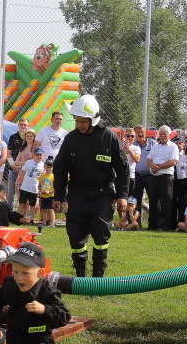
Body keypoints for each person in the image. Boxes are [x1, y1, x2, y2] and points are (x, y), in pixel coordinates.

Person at [52, 95, 129, 278]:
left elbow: (123, 167)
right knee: (76, 234)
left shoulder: (109, 137)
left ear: (93, 119)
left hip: (102, 193)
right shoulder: (71, 139)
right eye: (77, 121)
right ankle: (80, 276)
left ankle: (98, 278)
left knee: (101, 232)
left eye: (83, 121)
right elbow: (60, 169)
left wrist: (122, 195)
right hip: (77, 192)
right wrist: (59, 197)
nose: (79, 125)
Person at [146, 126, 180, 231]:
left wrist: (158, 167)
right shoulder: (155, 146)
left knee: (166, 202)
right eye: (161, 133)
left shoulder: (173, 146)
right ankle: (153, 225)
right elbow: (148, 159)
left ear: (169, 135)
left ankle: (166, 226)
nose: (162, 135)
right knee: (153, 201)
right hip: (154, 177)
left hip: (165, 177)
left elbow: (173, 161)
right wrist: (151, 166)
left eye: (165, 133)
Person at [131, 125, 156, 228]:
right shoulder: (133, 144)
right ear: (135, 133)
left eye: (142, 132)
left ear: (145, 132)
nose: (140, 134)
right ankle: (137, 223)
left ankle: (153, 224)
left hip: (150, 176)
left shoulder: (153, 143)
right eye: (138, 132)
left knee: (153, 199)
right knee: (136, 200)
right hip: (137, 176)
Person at [17, 147, 44, 222]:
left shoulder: (43, 165)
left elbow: (42, 178)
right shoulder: (28, 162)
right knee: (21, 203)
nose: (39, 156)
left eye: (40, 155)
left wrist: (40, 189)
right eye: (37, 155)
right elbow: (22, 173)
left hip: (34, 188)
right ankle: (16, 218)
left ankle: (31, 219)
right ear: (34, 155)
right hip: (25, 187)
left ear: (43, 155)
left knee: (32, 205)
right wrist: (19, 184)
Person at [37, 157, 55, 226]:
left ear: (52, 168)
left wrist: (49, 191)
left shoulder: (53, 177)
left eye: (50, 167)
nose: (48, 169)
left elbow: (55, 187)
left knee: (50, 209)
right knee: (44, 209)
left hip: (50, 196)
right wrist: (40, 190)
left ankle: (52, 223)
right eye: (47, 167)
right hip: (43, 195)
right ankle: (44, 222)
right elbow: (39, 185)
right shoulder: (42, 176)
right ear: (44, 167)